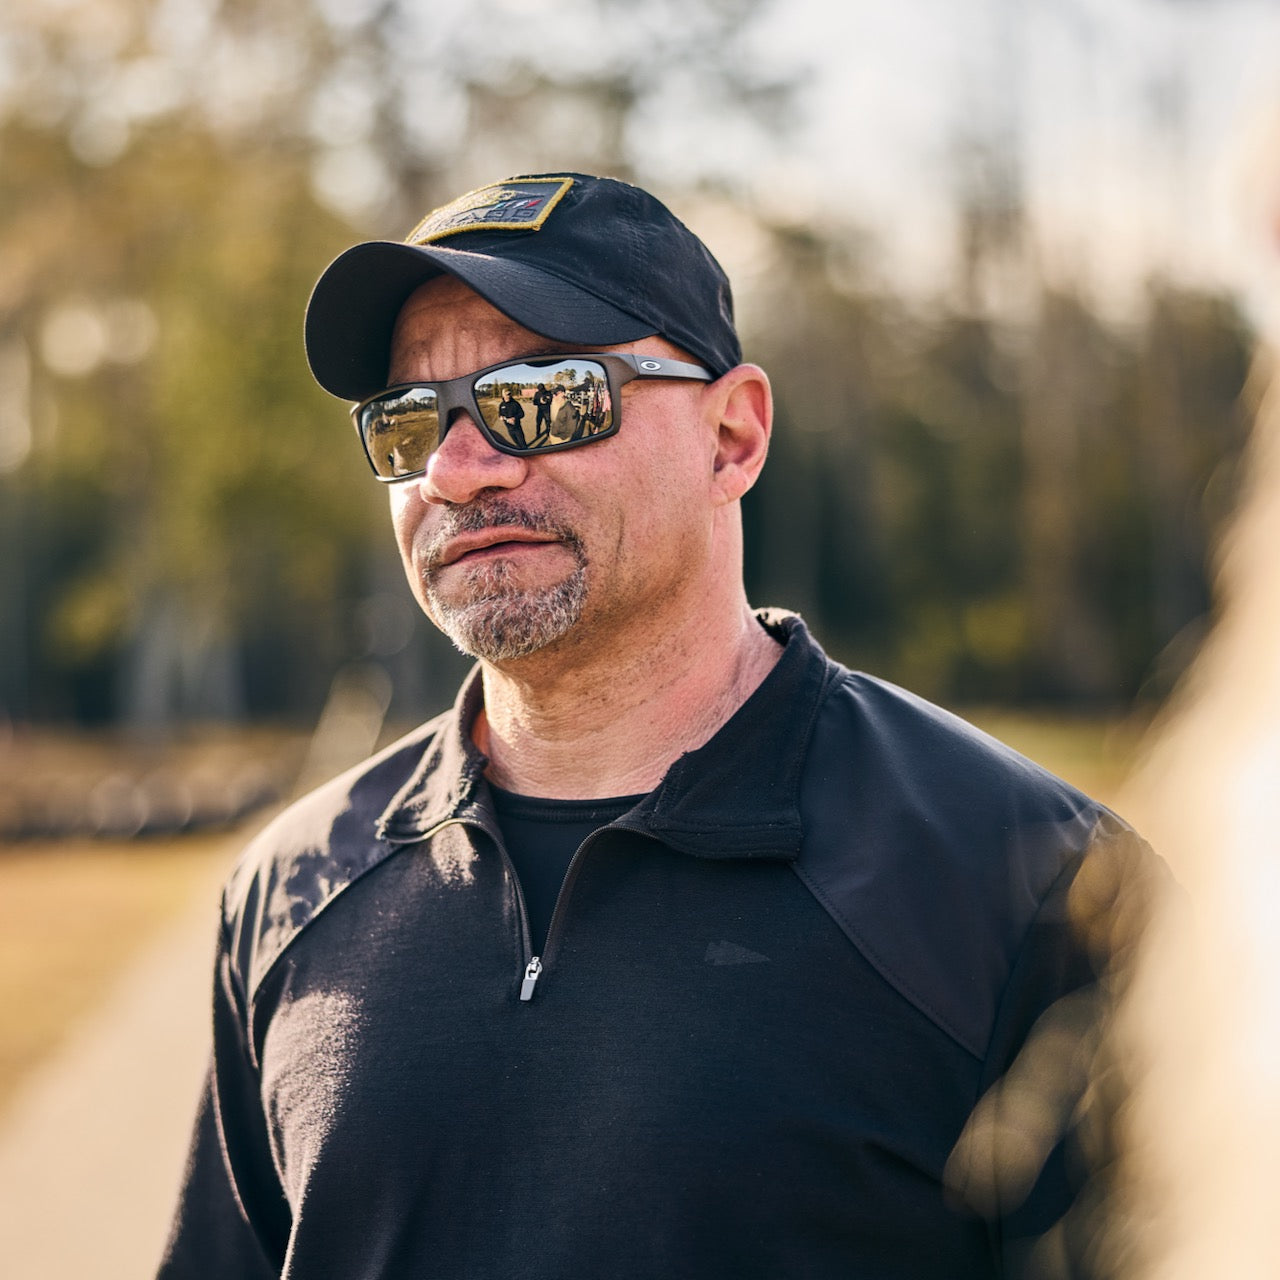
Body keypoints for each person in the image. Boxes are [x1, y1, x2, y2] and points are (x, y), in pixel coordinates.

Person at [159, 172, 1160, 1280]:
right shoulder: (292, 887)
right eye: (407, 422)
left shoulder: (1033, 886)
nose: (456, 466)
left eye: (543, 394)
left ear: (731, 435)